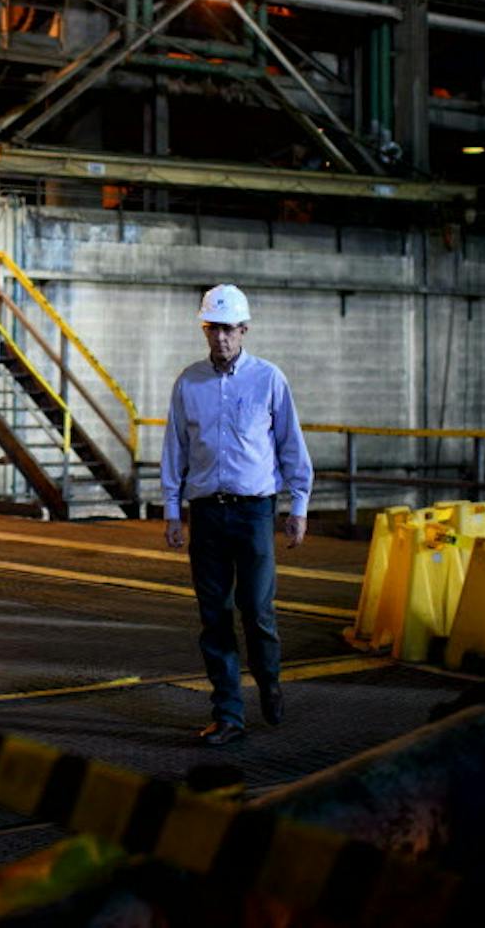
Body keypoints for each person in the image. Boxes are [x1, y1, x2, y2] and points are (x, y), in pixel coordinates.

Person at [160, 284, 313, 747]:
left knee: (257, 611)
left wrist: (298, 505)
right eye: (212, 329)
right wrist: (172, 510)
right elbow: (175, 450)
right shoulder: (189, 383)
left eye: (228, 329)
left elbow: (290, 446)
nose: (220, 338)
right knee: (215, 617)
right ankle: (228, 713)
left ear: (244, 330)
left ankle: (268, 679)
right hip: (206, 513)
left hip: (254, 514)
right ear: (204, 330)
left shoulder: (269, 379)